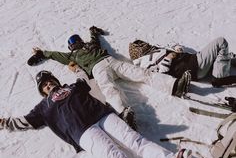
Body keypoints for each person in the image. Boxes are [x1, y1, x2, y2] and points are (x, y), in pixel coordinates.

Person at [0, 71, 192, 158]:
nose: (49, 85)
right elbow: (25, 121)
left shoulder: (72, 86)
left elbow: (85, 78)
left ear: (56, 80)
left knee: (135, 141)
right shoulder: (43, 107)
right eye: (45, 85)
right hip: (82, 132)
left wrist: (77, 70)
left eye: (50, 81)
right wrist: (5, 122)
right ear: (43, 91)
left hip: (102, 115)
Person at [27, 26, 191, 130]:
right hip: (99, 68)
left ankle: (174, 86)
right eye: (74, 43)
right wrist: (42, 53)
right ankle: (123, 114)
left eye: (77, 42)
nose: (76, 44)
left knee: (140, 74)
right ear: (72, 46)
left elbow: (93, 38)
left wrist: (93, 31)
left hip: (110, 61)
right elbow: (55, 55)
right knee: (109, 89)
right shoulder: (72, 56)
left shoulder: (90, 46)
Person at [129, 37, 236, 87]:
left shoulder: (154, 49)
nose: (143, 44)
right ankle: (220, 78)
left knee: (219, 54)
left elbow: (171, 45)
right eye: (140, 45)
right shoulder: (145, 63)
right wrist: (168, 59)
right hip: (194, 66)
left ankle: (228, 62)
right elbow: (160, 76)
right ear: (138, 53)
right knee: (221, 42)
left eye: (141, 42)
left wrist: (177, 48)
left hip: (192, 60)